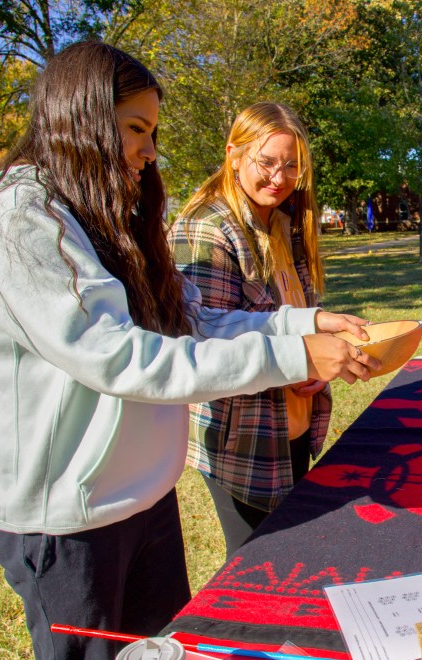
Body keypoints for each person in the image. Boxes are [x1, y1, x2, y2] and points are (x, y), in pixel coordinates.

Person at [0, 42, 378, 660]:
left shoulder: (112, 212)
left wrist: (305, 322)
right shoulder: (15, 215)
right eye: (136, 129)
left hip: (145, 503)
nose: (151, 150)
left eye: (152, 132)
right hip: (69, 525)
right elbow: (117, 356)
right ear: (78, 118)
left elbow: (196, 321)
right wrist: (292, 353)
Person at [168, 102, 332, 551]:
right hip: (242, 443)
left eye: (292, 166)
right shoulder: (207, 229)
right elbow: (205, 347)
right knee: (259, 572)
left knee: (297, 557)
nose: (280, 178)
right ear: (234, 155)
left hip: (291, 427)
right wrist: (296, 358)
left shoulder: (286, 222)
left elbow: (298, 312)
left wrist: (315, 361)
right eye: (267, 162)